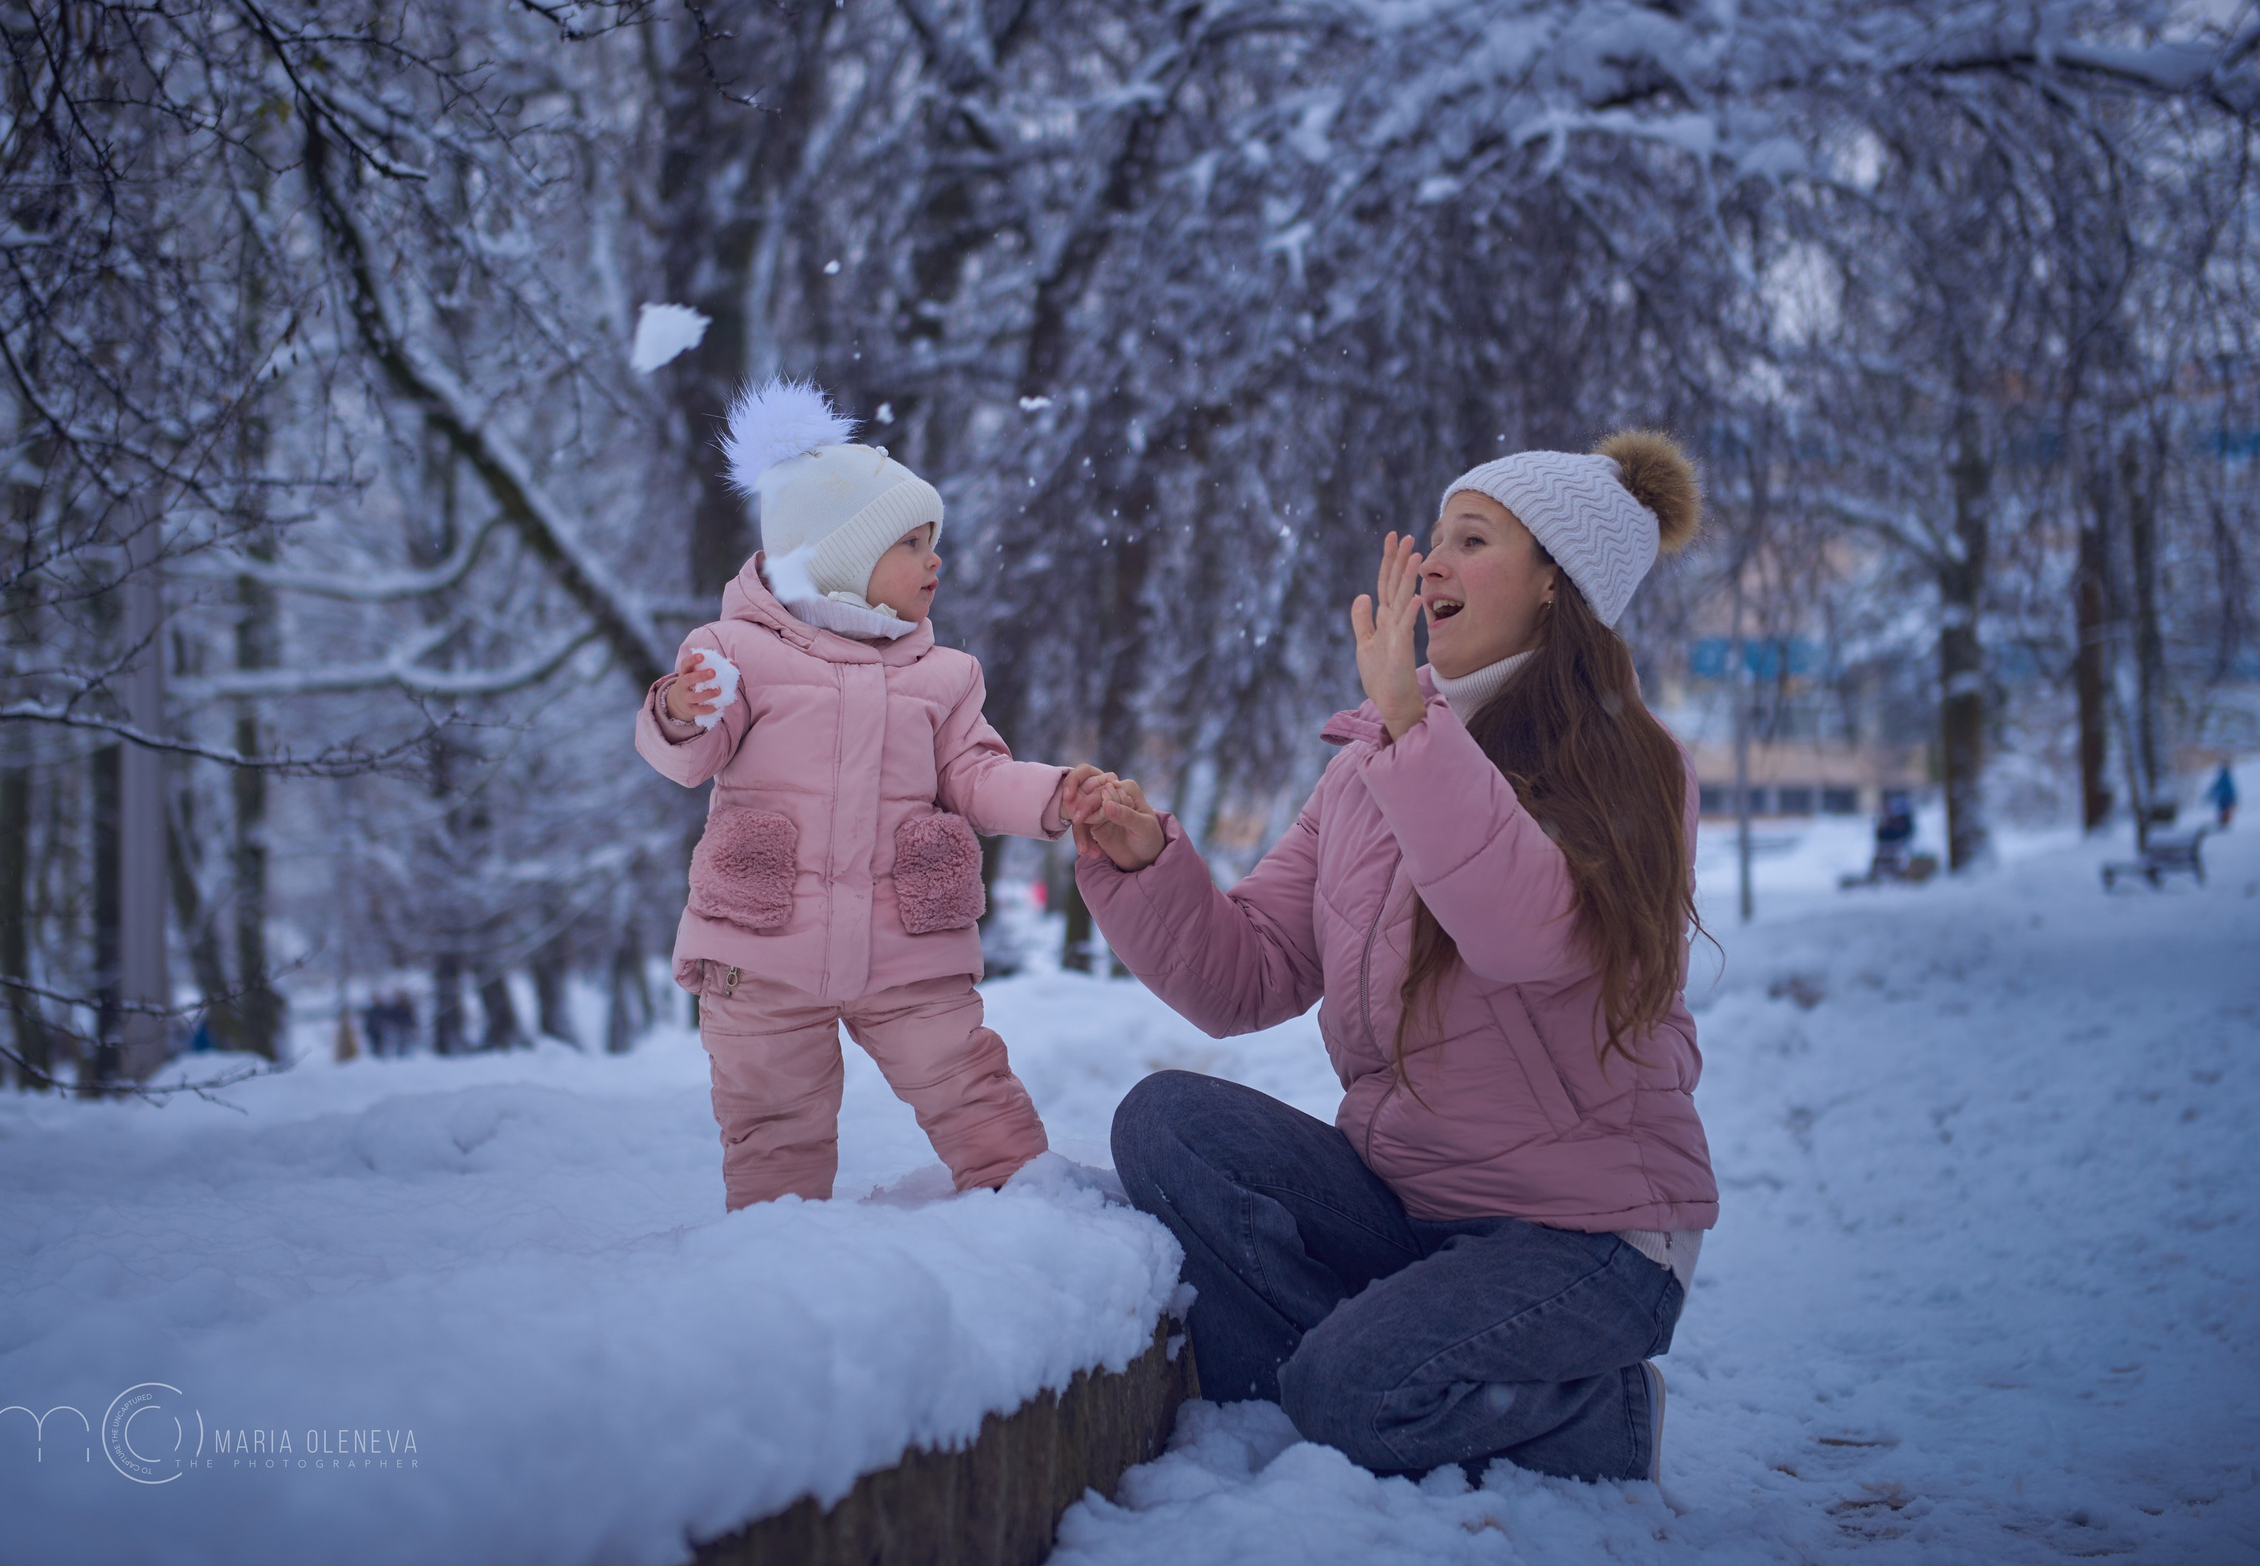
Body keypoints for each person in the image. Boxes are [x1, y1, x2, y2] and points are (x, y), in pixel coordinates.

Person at [1066, 434, 1716, 1486]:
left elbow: (1520, 934)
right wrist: (1146, 864)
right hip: (1410, 1204)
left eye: (1473, 538)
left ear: (1556, 583)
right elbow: (1251, 972)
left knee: (1346, 1388)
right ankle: (1361, 1376)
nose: (1432, 565)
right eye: (1435, 537)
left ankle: (1590, 1413)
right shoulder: (1373, 763)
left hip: (1581, 1236)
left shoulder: (1631, 760)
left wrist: (1413, 730)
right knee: (1168, 1120)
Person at [635, 379, 1091, 1210]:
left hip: (906, 948)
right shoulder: (734, 649)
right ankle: (780, 1263)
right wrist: (675, 712)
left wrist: (1057, 795)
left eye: (932, 540)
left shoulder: (943, 673)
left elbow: (977, 774)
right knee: (773, 1127)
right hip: (764, 950)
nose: (935, 560)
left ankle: (1032, 1220)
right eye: (912, 542)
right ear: (841, 553)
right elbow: (691, 760)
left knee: (975, 1091)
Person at [2208, 761, 2238, 830]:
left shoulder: (2224, 778)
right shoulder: (2227, 778)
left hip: (2224, 800)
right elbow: (2232, 790)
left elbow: (2216, 787)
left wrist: (2210, 794)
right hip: (2226, 800)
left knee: (2224, 812)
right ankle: (2223, 825)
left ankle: (2223, 825)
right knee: (2224, 812)